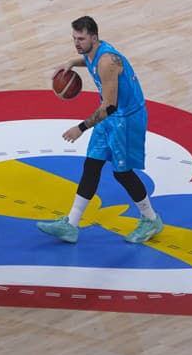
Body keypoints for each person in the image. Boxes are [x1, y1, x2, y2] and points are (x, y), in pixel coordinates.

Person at [37, 16, 163, 244]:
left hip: (126, 118)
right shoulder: (92, 52)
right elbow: (88, 59)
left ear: (94, 38)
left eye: (81, 38)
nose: (77, 43)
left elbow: (111, 106)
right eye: (74, 38)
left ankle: (150, 219)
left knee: (122, 173)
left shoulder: (107, 62)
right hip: (111, 116)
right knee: (92, 165)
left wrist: (81, 128)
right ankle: (71, 225)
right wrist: (72, 63)